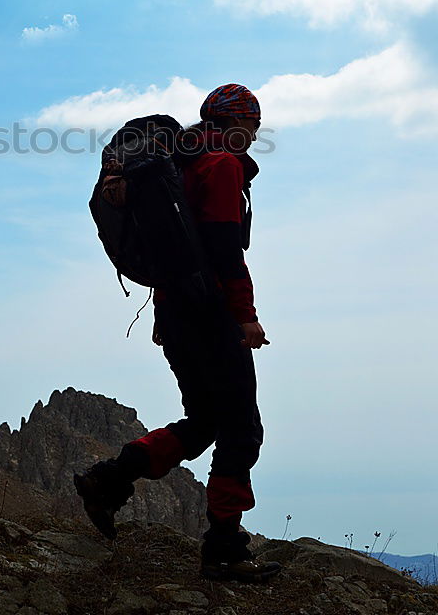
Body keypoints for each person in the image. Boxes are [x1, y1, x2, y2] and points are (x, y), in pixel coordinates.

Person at [74, 83, 279, 583]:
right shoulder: (221, 164)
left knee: (206, 419)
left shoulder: (177, 158)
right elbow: (226, 250)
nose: (254, 133)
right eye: (250, 123)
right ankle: (225, 550)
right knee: (240, 429)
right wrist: (245, 316)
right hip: (210, 313)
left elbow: (173, 246)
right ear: (232, 122)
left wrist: (168, 318)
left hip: (174, 309)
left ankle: (108, 480)